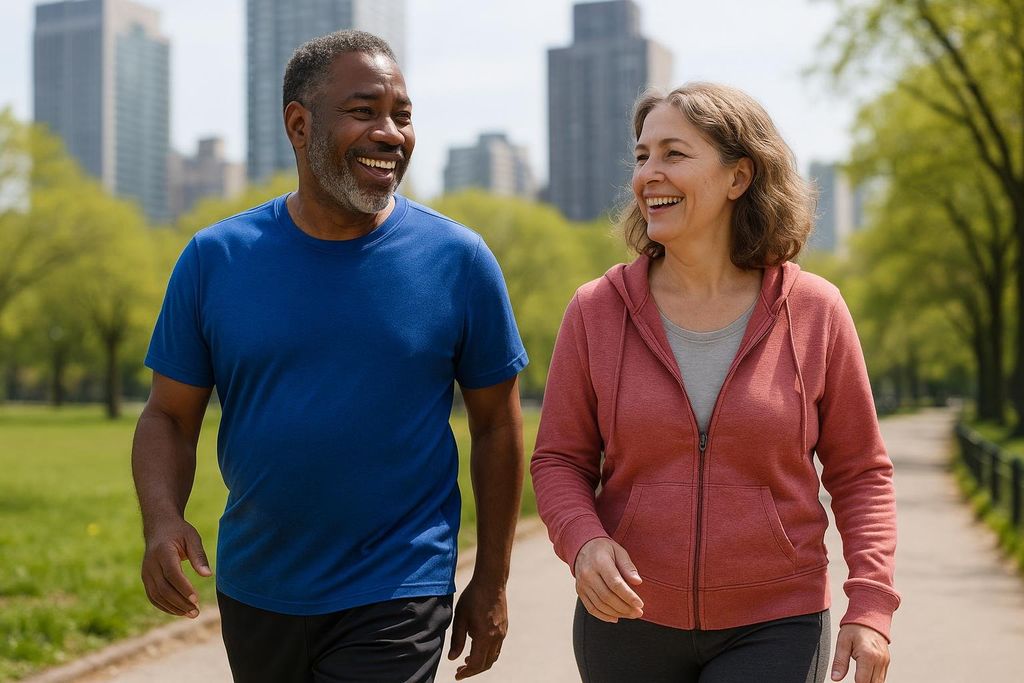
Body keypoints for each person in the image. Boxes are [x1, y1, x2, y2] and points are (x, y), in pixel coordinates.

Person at [131, 30, 528, 683]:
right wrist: (162, 518)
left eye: (402, 115)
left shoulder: (460, 261)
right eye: (364, 111)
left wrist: (491, 578)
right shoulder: (214, 259)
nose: (391, 133)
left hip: (400, 581)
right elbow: (168, 416)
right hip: (259, 585)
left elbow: (497, 424)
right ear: (298, 124)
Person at [531, 82, 899, 683]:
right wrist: (583, 542)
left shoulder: (815, 311)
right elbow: (558, 459)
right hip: (626, 618)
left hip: (776, 620)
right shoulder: (596, 310)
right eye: (642, 155)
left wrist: (872, 603)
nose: (649, 173)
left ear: (738, 177)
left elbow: (861, 473)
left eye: (674, 154)